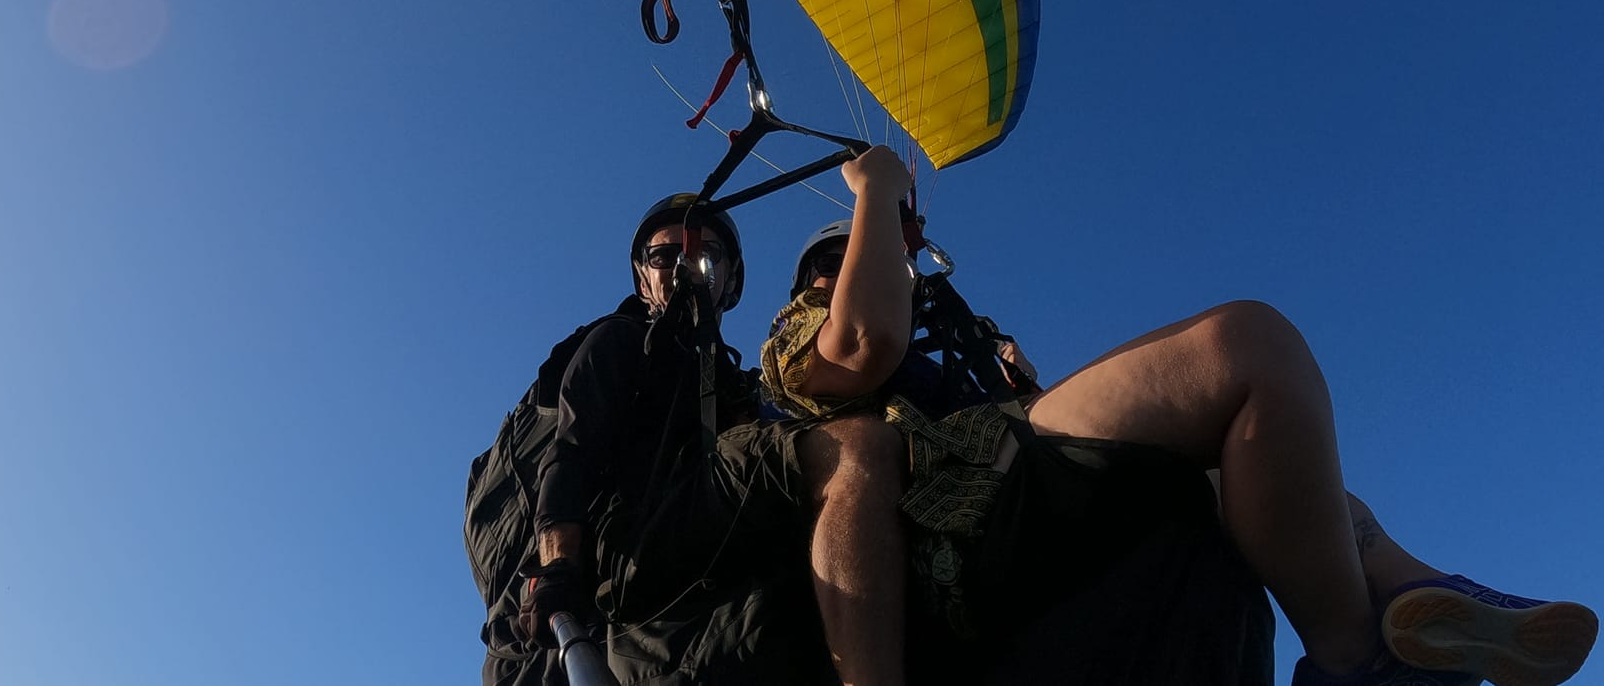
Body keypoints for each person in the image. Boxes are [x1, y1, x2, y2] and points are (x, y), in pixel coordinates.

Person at [765, 147, 1598, 686]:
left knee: (1269, 429)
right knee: (1249, 347)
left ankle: (1416, 590)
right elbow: (868, 337)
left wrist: (1020, 383)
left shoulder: (961, 348)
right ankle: (1357, 659)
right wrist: (877, 188)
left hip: (1017, 474)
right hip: (950, 514)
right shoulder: (800, 336)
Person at [522, 193, 918, 686]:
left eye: (706, 252)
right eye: (662, 256)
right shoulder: (619, 342)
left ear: (731, 278)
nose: (685, 264)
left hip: (717, 540)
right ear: (643, 277)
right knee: (852, 451)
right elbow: (571, 453)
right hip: (639, 542)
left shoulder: (739, 383)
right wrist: (558, 566)